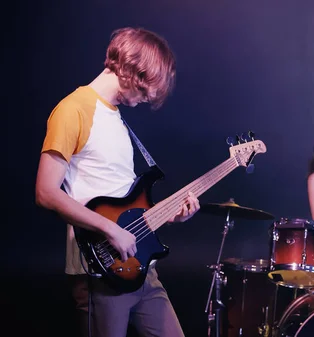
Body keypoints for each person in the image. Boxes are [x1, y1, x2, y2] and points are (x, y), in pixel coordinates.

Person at [35, 27, 200, 337]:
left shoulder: (117, 120)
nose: (150, 97)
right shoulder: (74, 109)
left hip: (141, 270)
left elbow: (125, 206)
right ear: (132, 70)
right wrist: (111, 230)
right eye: (149, 87)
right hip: (101, 273)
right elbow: (45, 192)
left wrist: (172, 215)